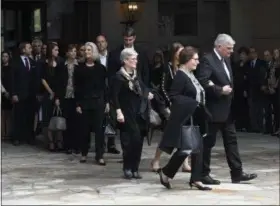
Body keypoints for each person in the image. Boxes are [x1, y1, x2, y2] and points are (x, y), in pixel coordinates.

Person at [195, 34, 257, 184]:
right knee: (208, 143)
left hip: (227, 109)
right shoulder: (207, 60)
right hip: (214, 109)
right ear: (219, 47)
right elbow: (203, 81)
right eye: (228, 48)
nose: (231, 51)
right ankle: (203, 173)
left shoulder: (226, 59)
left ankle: (237, 172)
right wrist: (219, 90)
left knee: (231, 141)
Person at [157, 46, 211, 190]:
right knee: (186, 149)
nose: (197, 62)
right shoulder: (181, 75)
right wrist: (193, 104)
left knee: (197, 148)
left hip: (194, 117)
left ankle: (196, 179)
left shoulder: (190, 74)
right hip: (185, 118)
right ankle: (166, 172)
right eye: (195, 59)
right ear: (187, 60)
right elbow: (174, 96)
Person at [111, 48, 153, 179]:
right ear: (125, 61)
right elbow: (114, 96)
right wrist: (118, 112)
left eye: (136, 58)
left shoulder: (136, 75)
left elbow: (143, 87)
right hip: (126, 112)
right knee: (128, 141)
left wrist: (148, 94)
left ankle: (135, 168)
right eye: (133, 59)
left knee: (139, 141)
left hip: (138, 112)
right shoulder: (119, 77)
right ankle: (127, 167)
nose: (136, 61)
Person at [74, 42, 109, 165]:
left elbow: (105, 88)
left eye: (89, 50)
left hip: (98, 102)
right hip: (84, 102)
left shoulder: (101, 68)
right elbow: (76, 88)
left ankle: (99, 155)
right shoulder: (79, 68)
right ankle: (84, 153)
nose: (87, 52)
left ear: (94, 52)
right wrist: (78, 104)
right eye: (85, 50)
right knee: (84, 129)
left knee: (99, 130)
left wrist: (107, 102)